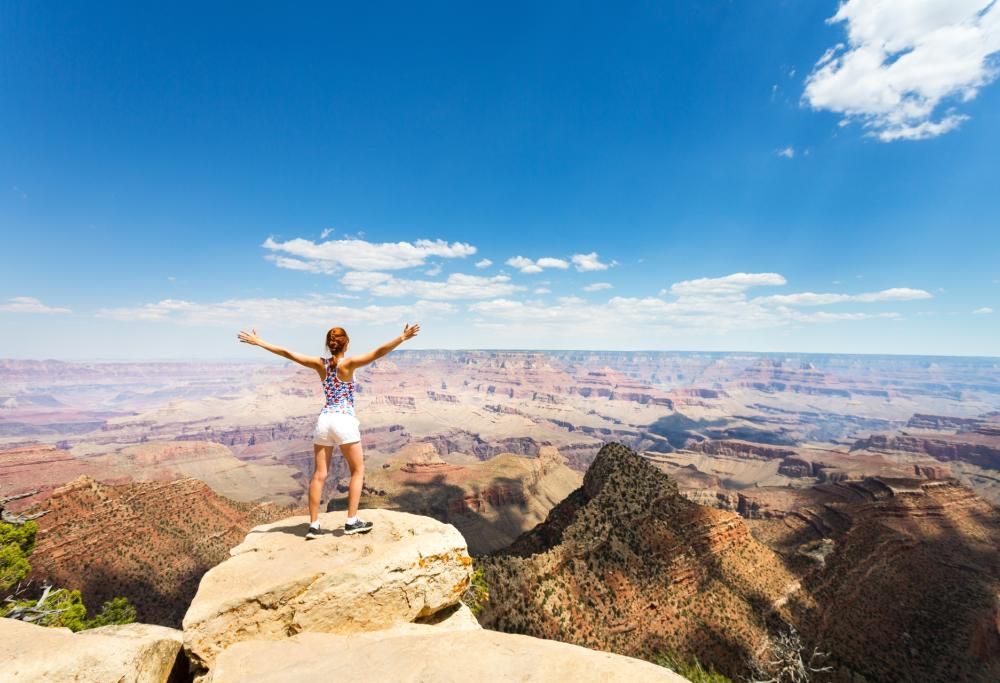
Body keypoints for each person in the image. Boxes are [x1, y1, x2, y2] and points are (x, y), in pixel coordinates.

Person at [237, 323, 420, 538]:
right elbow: (378, 352)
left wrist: (260, 342)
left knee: (319, 474)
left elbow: (288, 353)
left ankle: (314, 525)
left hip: (324, 421)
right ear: (347, 344)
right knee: (358, 471)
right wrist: (402, 337)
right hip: (344, 420)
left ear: (329, 345)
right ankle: (351, 521)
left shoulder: (319, 364)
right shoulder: (348, 364)